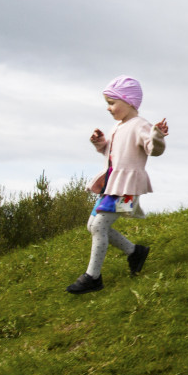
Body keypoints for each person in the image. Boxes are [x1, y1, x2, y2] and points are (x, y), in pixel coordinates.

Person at [66, 76, 168, 294]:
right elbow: (113, 154)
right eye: (107, 103)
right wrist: (100, 143)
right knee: (92, 226)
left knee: (99, 226)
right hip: (111, 186)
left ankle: (93, 277)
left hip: (128, 188)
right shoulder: (116, 127)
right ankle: (135, 252)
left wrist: (157, 135)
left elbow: (154, 150)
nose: (108, 108)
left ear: (129, 102)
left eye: (112, 103)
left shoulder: (140, 125)